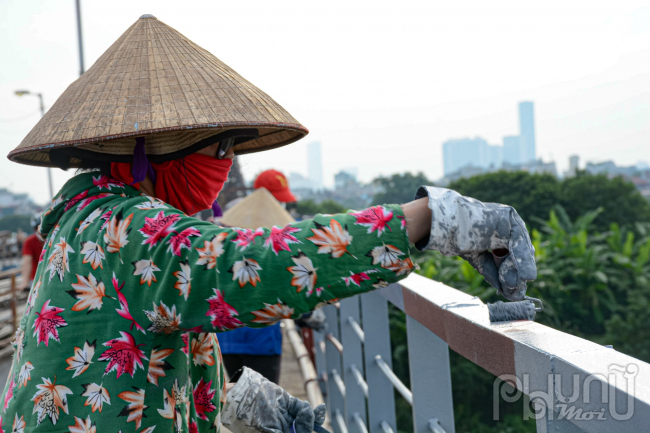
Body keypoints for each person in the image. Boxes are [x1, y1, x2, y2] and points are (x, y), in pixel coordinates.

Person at [2, 15, 536, 433]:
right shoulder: (125, 229)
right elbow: (251, 266)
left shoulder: (86, 222)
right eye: (221, 147)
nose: (226, 164)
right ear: (150, 153)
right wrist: (431, 219)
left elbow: (125, 349)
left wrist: (244, 404)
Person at [217, 170, 297, 384]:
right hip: (261, 339)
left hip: (227, 336)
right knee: (265, 409)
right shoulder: (273, 238)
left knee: (239, 407)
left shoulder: (228, 224)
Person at [20, 213, 44, 291]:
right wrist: (25, 282)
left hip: (47, 279)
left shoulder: (56, 240)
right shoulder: (30, 241)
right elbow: (27, 262)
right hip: (37, 279)